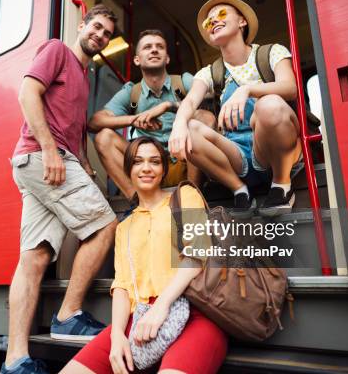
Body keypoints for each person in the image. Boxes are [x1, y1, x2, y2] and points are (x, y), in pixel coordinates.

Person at [3, 4, 120, 374]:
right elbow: (27, 94)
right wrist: (52, 151)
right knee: (104, 225)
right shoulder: (57, 50)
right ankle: (69, 314)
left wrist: (84, 163)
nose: (99, 36)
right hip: (43, 158)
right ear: (82, 25)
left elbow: (72, 126)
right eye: (96, 27)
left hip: (43, 162)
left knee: (35, 257)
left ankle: (15, 361)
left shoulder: (84, 78)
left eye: (106, 34)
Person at [60, 136, 228, 374]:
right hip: (139, 317)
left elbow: (197, 254)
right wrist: (117, 334)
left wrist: (161, 307)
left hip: (195, 313)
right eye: (138, 162)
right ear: (129, 169)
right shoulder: (124, 227)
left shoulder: (185, 197)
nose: (146, 168)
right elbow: (122, 287)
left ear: (163, 169)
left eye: (154, 161)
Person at [169, 0, 301, 218]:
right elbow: (191, 101)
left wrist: (247, 90)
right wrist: (179, 125)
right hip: (236, 156)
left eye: (220, 14)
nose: (213, 22)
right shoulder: (210, 72)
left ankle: (281, 185)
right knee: (189, 128)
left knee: (269, 105)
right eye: (208, 22)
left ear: (242, 22)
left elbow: (290, 88)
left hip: (273, 150)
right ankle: (239, 190)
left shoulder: (272, 52)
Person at [88, 29, 216, 202]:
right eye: (147, 47)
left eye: (160, 47)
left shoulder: (182, 81)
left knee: (205, 117)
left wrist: (169, 107)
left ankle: (192, 197)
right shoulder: (131, 92)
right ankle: (138, 201)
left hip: (187, 160)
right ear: (137, 59)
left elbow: (210, 94)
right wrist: (133, 120)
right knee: (104, 137)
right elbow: (95, 122)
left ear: (167, 58)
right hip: (149, 164)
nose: (154, 50)